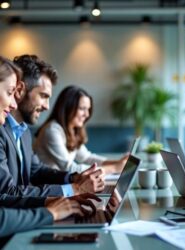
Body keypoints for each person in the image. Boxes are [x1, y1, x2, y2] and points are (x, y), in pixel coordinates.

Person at [0, 55, 100, 247]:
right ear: (21, 90)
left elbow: (36, 171)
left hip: (22, 221)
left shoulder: (24, 131)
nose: (47, 106)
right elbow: (6, 193)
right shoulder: (2, 130)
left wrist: (73, 179)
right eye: (43, 96)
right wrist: (70, 192)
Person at [34, 85, 127, 174]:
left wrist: (117, 163)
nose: (87, 115)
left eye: (88, 109)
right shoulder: (52, 130)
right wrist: (114, 168)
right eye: (82, 108)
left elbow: (86, 158)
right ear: (67, 108)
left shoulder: (72, 129)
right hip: (47, 187)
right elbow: (69, 168)